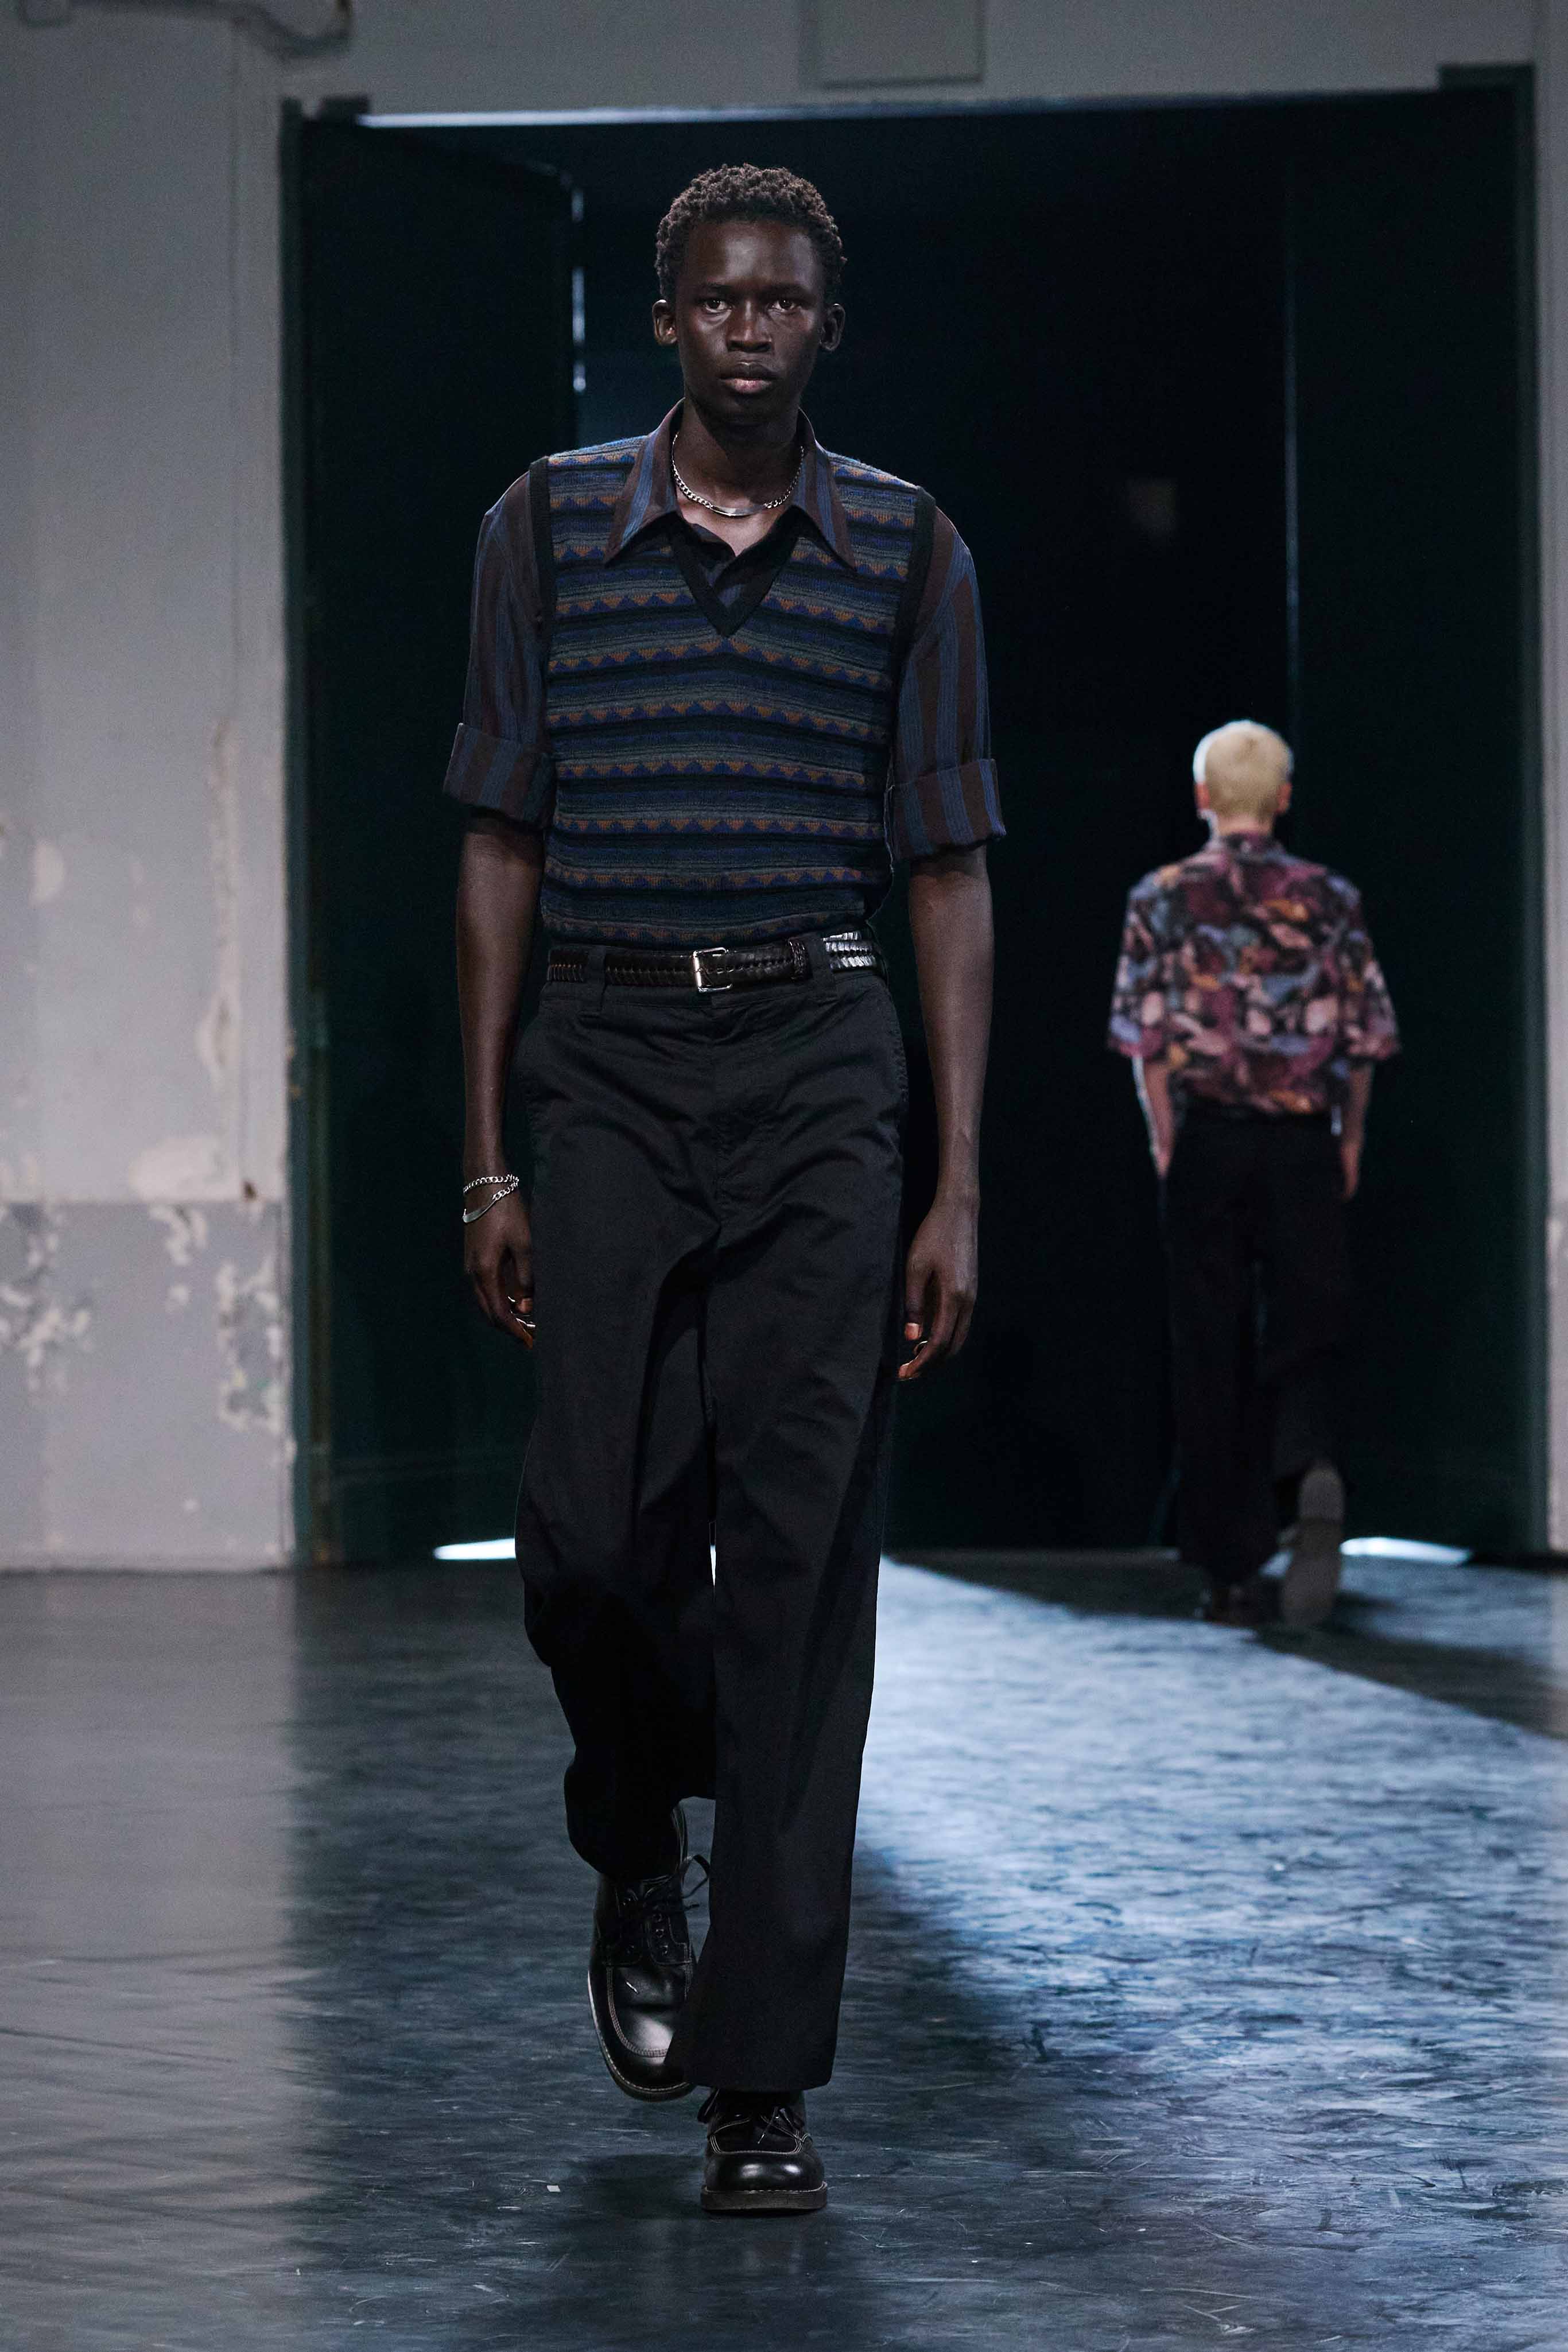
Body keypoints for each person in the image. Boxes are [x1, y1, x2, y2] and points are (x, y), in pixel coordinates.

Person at [445, 166, 1000, 2214]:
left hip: (820, 1057)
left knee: (797, 1567)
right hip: (602, 1055)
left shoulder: (910, 547)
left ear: (825, 326)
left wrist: (956, 1180)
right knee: (591, 1539)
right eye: (715, 297)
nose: (749, 326)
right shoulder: (542, 529)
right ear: (663, 318)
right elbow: (497, 840)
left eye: (782, 299)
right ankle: (634, 1841)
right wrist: (487, 1153)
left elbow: (948, 868)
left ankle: (762, 2079)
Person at [1108, 720, 1398, 1629]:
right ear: (1282, 798)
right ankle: (1306, 1466)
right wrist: (1349, 1139)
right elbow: (1363, 1039)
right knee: (1309, 1324)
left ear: (1203, 797)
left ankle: (1229, 1572)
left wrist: (1166, 1138)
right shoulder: (1330, 897)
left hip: (1210, 1140)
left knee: (1210, 1344)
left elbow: (1146, 1038)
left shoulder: (1162, 897)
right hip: (1302, 1138)